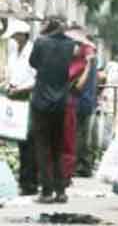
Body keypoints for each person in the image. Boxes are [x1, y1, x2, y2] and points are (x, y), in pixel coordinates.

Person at [28, 15, 78, 204]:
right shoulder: (70, 44)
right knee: (58, 146)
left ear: (49, 25)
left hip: (41, 101)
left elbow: (33, 63)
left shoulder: (41, 42)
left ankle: (46, 191)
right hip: (61, 102)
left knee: (42, 146)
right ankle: (61, 190)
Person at [2, 18, 37, 195]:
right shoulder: (13, 52)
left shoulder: (33, 52)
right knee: (20, 142)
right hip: (15, 100)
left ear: (23, 36)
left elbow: (36, 79)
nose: (14, 40)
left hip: (28, 99)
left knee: (29, 142)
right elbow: (11, 74)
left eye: (16, 37)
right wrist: (9, 85)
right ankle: (24, 181)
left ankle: (30, 182)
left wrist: (21, 88)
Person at [62, 25, 96, 181]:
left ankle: (80, 165)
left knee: (78, 134)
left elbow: (77, 83)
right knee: (81, 133)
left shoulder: (84, 57)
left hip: (79, 99)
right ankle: (84, 164)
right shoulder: (88, 56)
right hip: (84, 98)